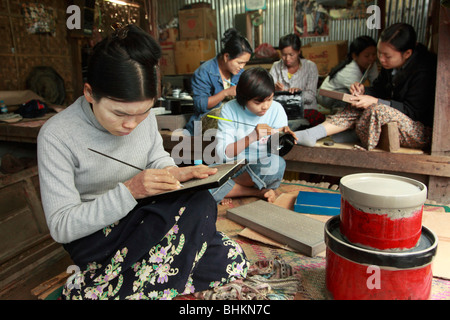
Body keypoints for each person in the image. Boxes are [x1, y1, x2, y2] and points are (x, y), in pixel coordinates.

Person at [37, 25, 249, 300]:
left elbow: (156, 157)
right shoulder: (56, 135)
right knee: (205, 238)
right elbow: (62, 225)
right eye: (119, 113)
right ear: (90, 93)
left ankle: (128, 282)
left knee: (227, 248)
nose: (131, 124)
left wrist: (175, 173)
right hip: (98, 239)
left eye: (142, 113)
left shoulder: (143, 118)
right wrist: (129, 191)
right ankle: (124, 277)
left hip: (145, 219)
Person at [293, 23, 436, 151]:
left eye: (387, 56)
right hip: (396, 117)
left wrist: (375, 101)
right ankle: (312, 134)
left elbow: (413, 112)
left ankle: (363, 145)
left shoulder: (423, 71)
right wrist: (363, 91)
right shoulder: (391, 65)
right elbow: (379, 88)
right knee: (356, 101)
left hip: (418, 130)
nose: (381, 59)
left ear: (407, 54)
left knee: (377, 109)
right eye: (379, 53)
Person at [212, 67, 297, 205]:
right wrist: (251, 137)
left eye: (269, 99)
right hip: (233, 168)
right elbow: (223, 154)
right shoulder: (229, 109)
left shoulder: (276, 109)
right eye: (258, 102)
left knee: (277, 164)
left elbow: (275, 153)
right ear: (243, 98)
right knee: (200, 180)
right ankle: (257, 192)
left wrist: (283, 137)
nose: (265, 106)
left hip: (259, 169)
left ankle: (225, 188)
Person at [185, 28, 253, 134]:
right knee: (225, 120)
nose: (242, 67)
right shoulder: (204, 72)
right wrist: (226, 93)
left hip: (233, 115)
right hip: (208, 118)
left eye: (245, 63)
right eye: (239, 62)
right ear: (226, 57)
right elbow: (200, 105)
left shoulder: (240, 73)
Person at [269, 33, 323, 126]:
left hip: (305, 110)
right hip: (282, 109)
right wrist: (275, 90)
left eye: (291, 54)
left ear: (299, 51)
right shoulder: (276, 66)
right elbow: (267, 93)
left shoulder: (310, 67)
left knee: (312, 119)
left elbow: (310, 97)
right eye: (283, 55)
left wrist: (298, 93)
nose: (287, 59)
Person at [318, 35, 378, 112]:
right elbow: (357, 94)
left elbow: (376, 84)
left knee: (369, 93)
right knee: (350, 98)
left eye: (374, 54)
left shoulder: (371, 63)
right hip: (326, 96)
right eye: (367, 56)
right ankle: (338, 115)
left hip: (344, 91)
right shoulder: (349, 71)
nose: (372, 58)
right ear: (355, 56)